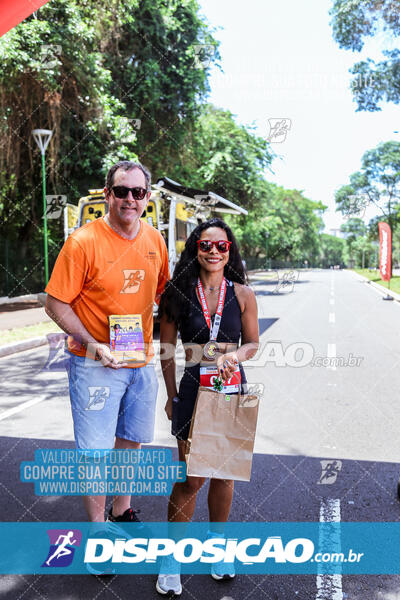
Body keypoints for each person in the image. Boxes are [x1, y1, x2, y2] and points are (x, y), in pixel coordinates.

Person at [45, 160, 169, 535]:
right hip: (93, 362)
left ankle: (122, 510)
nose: (130, 199)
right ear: (107, 194)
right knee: (96, 452)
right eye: (121, 191)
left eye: (138, 192)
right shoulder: (83, 242)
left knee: (131, 439)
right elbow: (55, 303)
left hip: (140, 361)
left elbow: (162, 294)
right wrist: (93, 343)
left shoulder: (155, 240)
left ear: (147, 198)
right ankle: (99, 532)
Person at [156, 218, 259, 595]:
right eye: (206, 246)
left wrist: (238, 357)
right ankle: (170, 559)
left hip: (231, 387)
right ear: (195, 249)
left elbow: (252, 343)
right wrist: (170, 396)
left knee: (224, 474)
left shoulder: (244, 294)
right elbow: (166, 352)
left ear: (229, 250)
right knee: (190, 479)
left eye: (221, 246)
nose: (214, 252)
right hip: (192, 390)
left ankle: (218, 549)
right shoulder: (177, 293)